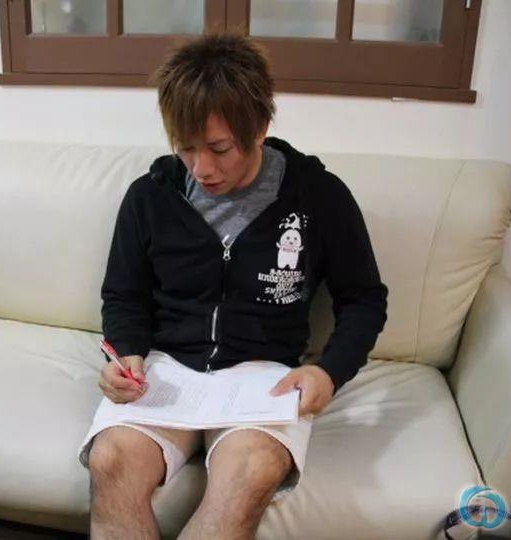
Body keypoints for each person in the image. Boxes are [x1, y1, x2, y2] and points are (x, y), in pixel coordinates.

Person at [77, 32, 388, 539]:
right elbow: (124, 296)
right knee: (110, 461)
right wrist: (126, 354)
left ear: (260, 127)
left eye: (219, 148)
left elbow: (364, 300)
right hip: (165, 368)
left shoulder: (318, 195)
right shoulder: (149, 197)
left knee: (252, 472)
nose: (202, 169)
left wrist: (329, 372)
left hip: (263, 376)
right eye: (185, 149)